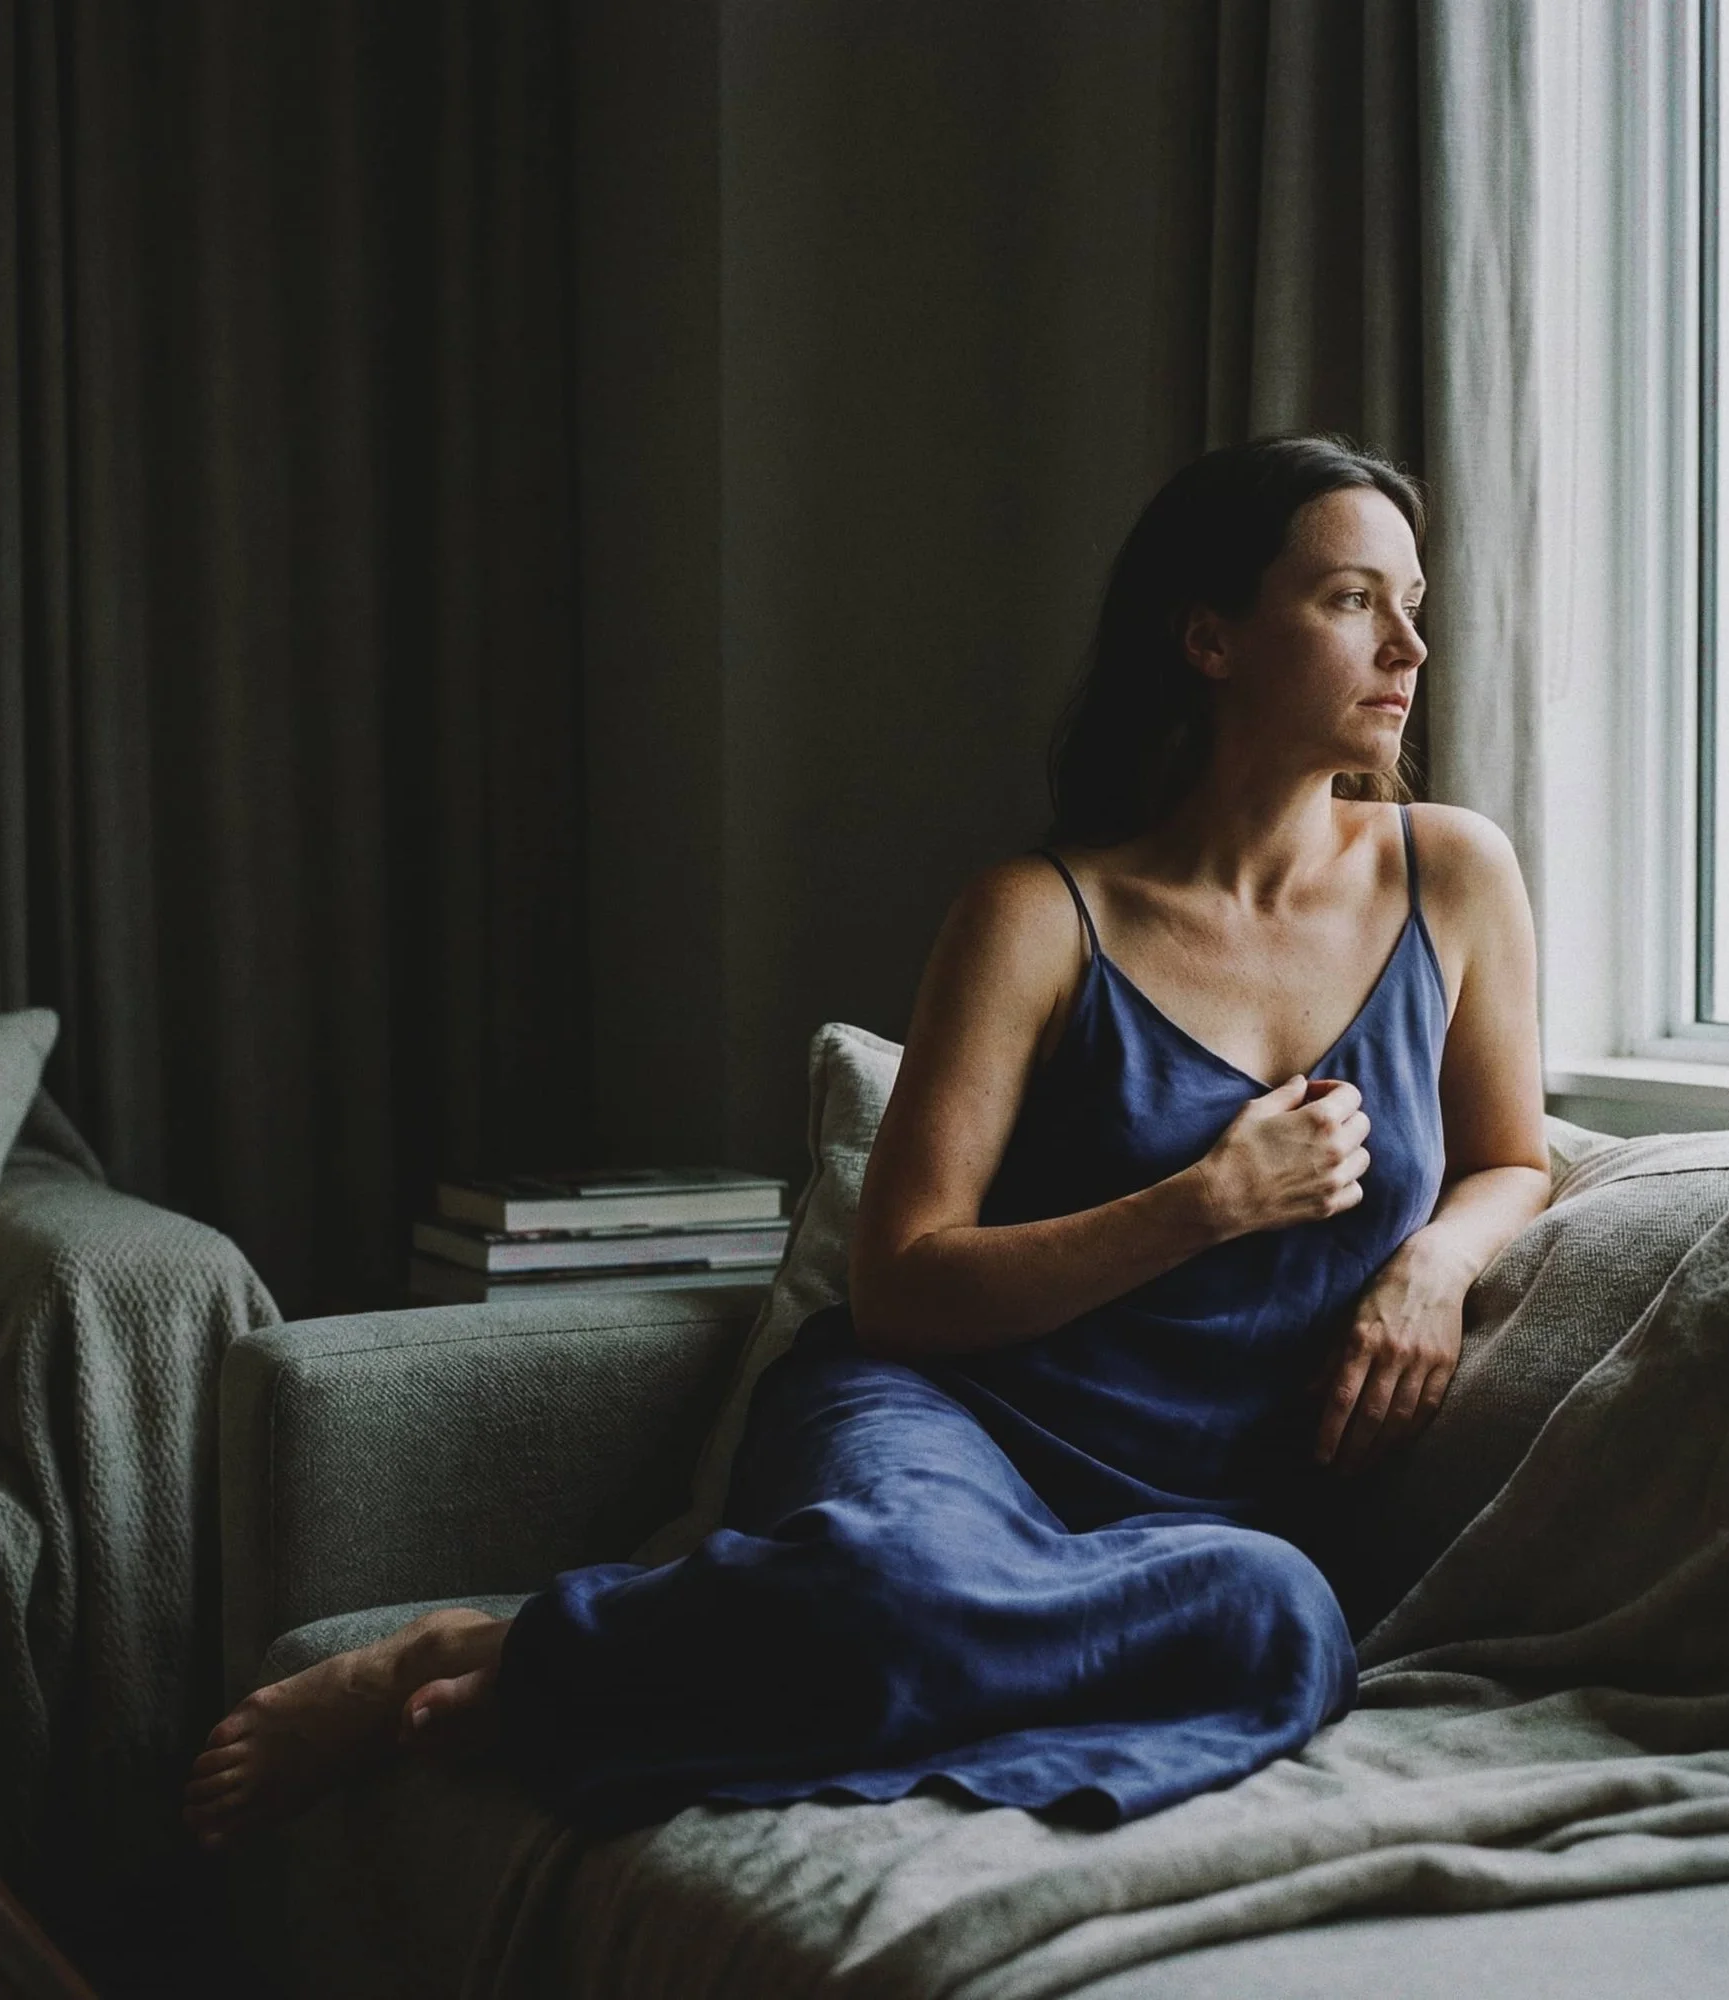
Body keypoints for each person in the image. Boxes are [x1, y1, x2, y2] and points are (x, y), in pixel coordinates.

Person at [182, 433, 1551, 1852]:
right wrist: (1203, 1202)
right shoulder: (1034, 914)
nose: (1410, 643)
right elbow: (902, 1290)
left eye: (1413, 600)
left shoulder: (1453, 873)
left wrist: (1435, 1265)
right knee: (901, 1593)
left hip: (1196, 1512)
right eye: (1350, 601)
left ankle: (626, 1674)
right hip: (951, 1431)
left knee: (1283, 1620)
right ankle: (467, 1653)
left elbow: (1513, 1156)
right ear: (1210, 638)